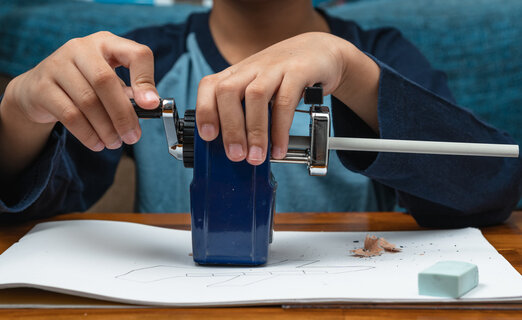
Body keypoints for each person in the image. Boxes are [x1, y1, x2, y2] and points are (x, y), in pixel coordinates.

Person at [0, 0, 520, 227]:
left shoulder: (374, 56)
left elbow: (490, 187)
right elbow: (39, 208)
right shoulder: (144, 60)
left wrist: (352, 71)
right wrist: (19, 113)